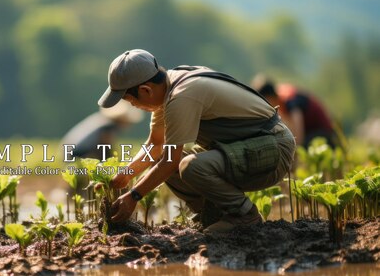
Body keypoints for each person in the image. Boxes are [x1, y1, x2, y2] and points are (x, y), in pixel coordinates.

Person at [97, 49, 296, 234]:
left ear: (146, 90)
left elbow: (170, 161)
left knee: (190, 166)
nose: (134, 106)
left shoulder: (181, 96)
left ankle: (244, 215)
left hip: (273, 148)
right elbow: (155, 145)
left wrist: (134, 196)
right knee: (165, 163)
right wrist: (126, 174)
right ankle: (213, 215)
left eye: (131, 100)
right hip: (247, 148)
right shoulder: (167, 88)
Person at [251, 75, 337, 148]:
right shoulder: (279, 99)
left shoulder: (289, 99)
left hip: (324, 133)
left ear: (269, 97)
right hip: (310, 131)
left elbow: (298, 134)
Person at [61, 100, 143, 160]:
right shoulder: (108, 127)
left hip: (69, 151)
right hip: (78, 153)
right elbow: (106, 149)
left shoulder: (102, 120)